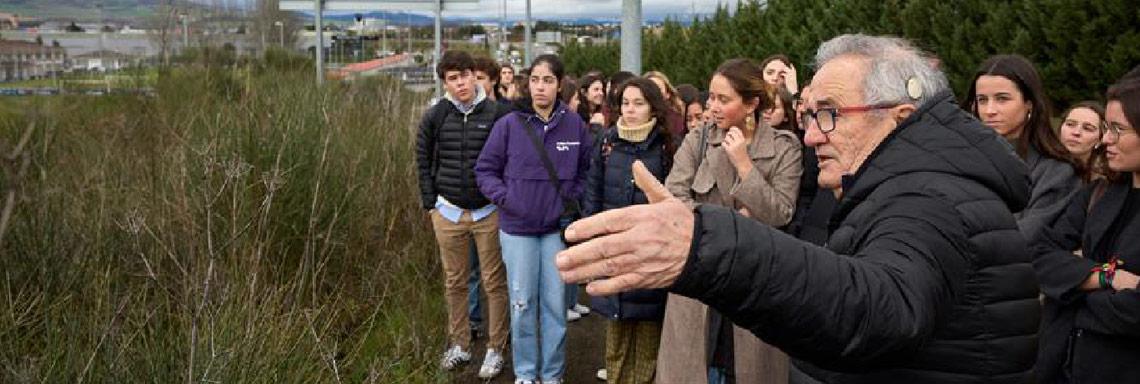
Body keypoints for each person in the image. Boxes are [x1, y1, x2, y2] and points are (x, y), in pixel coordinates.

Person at [556, 34, 1039, 384]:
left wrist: (706, 242)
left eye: (828, 113)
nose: (812, 134)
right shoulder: (910, 183)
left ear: (899, 116)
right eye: (810, 115)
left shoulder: (927, 196)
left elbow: (879, 308)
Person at [659, 58, 803, 384]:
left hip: (756, 279)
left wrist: (744, 165)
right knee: (695, 367)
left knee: (749, 368)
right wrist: (727, 225)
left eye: (723, 99)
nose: (712, 107)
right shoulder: (698, 140)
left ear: (751, 103)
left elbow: (781, 212)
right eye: (711, 97)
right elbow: (673, 196)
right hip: (700, 276)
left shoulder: (784, 149)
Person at [475, 54, 592, 384]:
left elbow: (587, 169)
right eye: (536, 80)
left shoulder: (574, 125)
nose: (541, 87)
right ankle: (525, 373)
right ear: (528, 84)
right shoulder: (509, 124)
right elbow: (485, 170)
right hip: (517, 231)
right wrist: (507, 199)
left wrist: (572, 197)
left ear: (559, 85)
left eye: (549, 80)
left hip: (555, 231)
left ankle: (552, 374)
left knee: (555, 307)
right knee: (523, 304)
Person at [1033, 67, 1140, 384]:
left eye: (1118, 129)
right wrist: (1108, 277)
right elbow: (1040, 257)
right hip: (1063, 367)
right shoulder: (1099, 193)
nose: (1106, 139)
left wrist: (1069, 291)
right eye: (1107, 128)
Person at [415, 50, 510, 379]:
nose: (461, 84)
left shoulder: (497, 114)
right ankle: (461, 344)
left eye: (465, 76)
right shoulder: (435, 115)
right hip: (448, 212)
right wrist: (431, 204)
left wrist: (503, 199)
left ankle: (496, 348)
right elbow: (422, 159)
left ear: (475, 75)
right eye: (453, 79)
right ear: (445, 83)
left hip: (488, 212)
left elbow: (508, 161)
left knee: (494, 283)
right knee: (454, 282)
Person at [583, 77, 677, 384]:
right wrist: (591, 238)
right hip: (615, 249)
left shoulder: (665, 145)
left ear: (653, 108)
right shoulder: (608, 142)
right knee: (616, 330)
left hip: (651, 251)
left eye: (638, 103)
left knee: (649, 336)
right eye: (625, 103)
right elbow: (593, 192)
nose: (631, 110)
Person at [964, 54, 1081, 240]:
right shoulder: (962, 160)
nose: (989, 110)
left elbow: (1028, 234)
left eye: (1002, 99)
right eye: (982, 100)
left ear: (1029, 104)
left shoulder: (1056, 172)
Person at [1058, 101, 1106, 179]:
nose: (1076, 132)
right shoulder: (1038, 168)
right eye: (1070, 124)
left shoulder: (1103, 183)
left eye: (1087, 128)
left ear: (1100, 140)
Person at [644, 70, 689, 142]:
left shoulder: (675, 119)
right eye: (649, 88)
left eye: (658, 88)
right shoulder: (636, 116)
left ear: (667, 94)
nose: (653, 92)